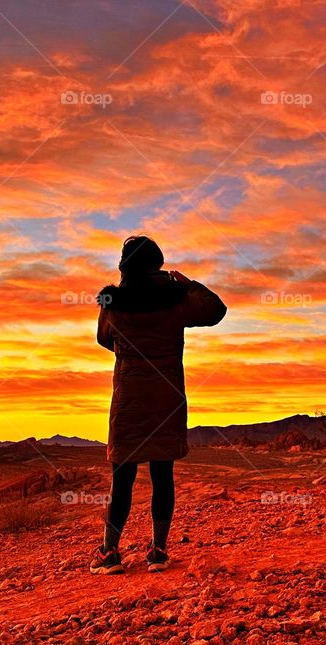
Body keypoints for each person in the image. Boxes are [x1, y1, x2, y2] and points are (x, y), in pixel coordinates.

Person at [90, 235, 226, 574]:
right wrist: (188, 283)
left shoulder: (112, 302)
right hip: (167, 397)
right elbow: (215, 310)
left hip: (129, 400)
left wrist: (130, 351)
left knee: (122, 477)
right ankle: (158, 551)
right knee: (162, 474)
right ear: (157, 264)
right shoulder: (176, 298)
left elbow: (104, 339)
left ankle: (109, 553)